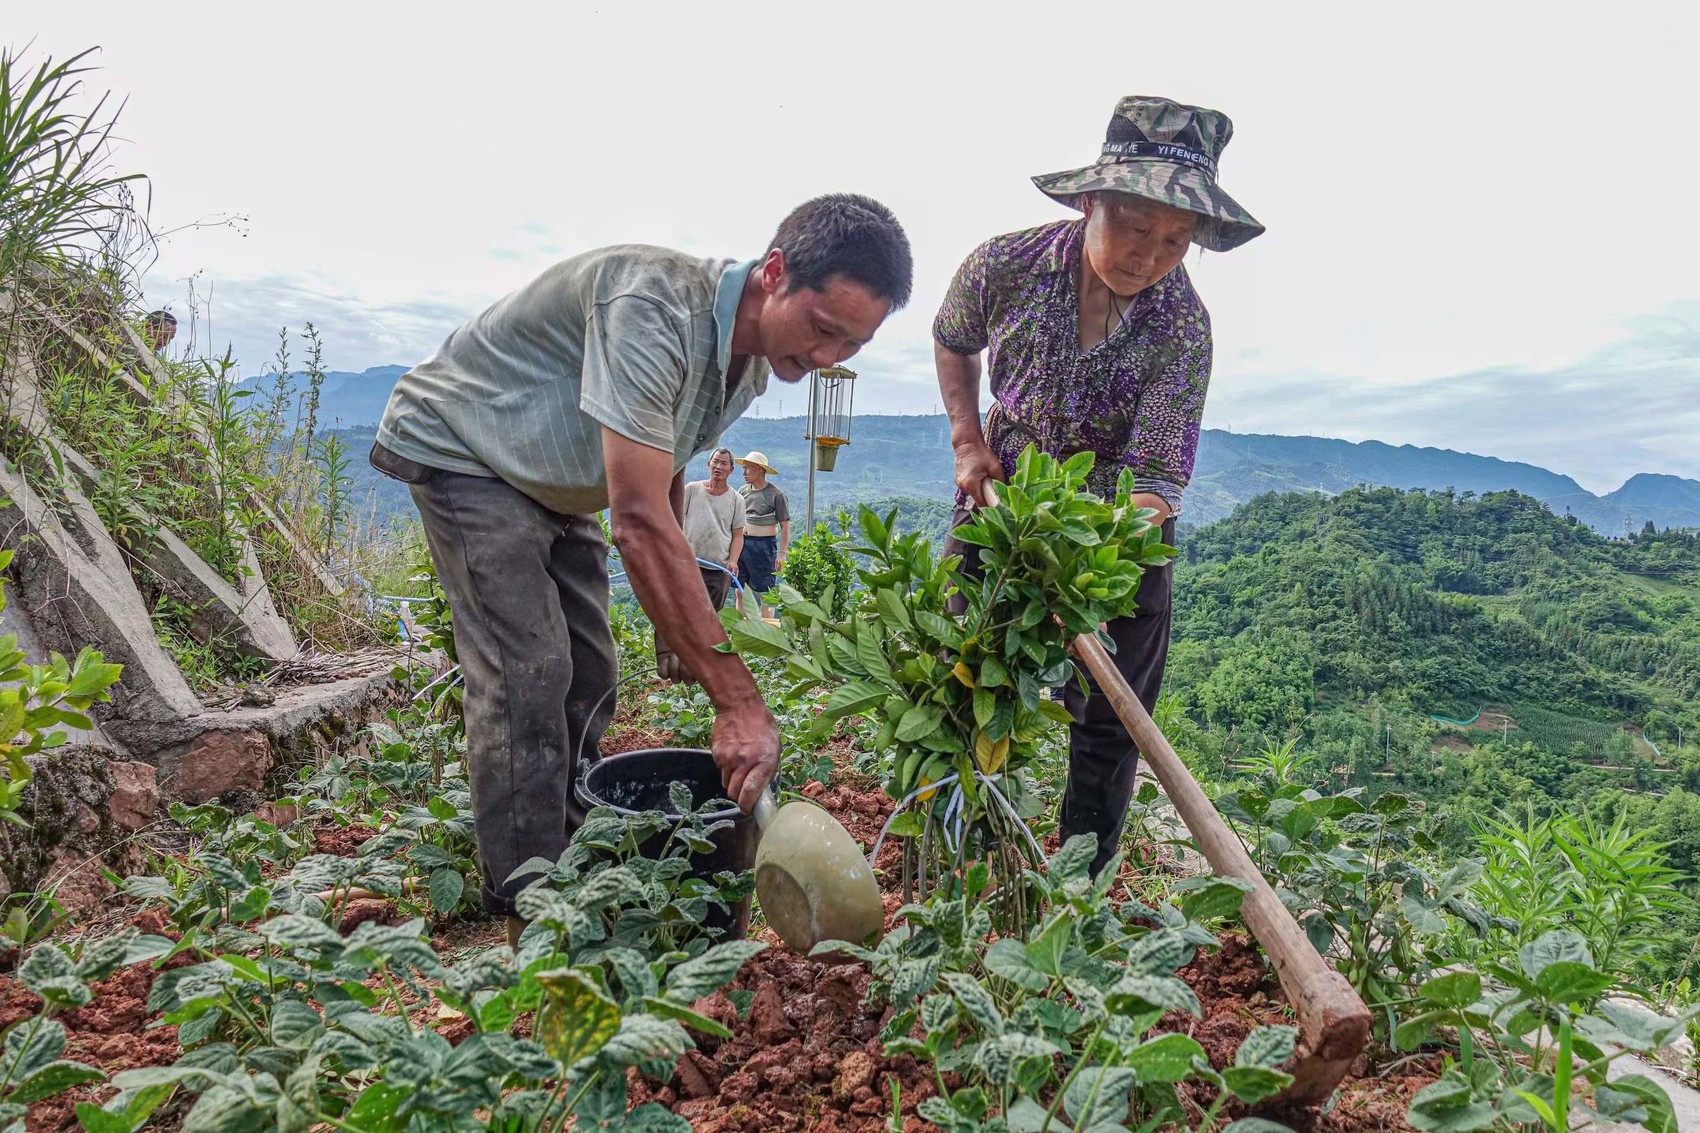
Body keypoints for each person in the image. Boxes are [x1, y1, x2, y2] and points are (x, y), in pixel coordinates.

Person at [370, 194, 912, 941]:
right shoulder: (656, 309)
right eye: (822, 330)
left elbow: (669, 454)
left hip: (557, 473)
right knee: (529, 669)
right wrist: (738, 700)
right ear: (775, 272)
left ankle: (573, 847)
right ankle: (529, 902)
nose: (824, 360)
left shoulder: (751, 361)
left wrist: (676, 616)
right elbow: (635, 519)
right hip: (470, 450)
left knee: (591, 673)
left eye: (849, 348)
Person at [934, 95, 1262, 876]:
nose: (1150, 255)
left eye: (1176, 239)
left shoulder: (1183, 327)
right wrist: (967, 442)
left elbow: (1153, 484)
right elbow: (952, 340)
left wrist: (1082, 564)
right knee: (962, 667)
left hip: (1119, 536)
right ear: (1091, 202)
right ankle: (953, 839)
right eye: (1135, 227)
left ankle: (1079, 878)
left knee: (1113, 716)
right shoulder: (1003, 266)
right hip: (1001, 505)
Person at [679, 447, 746, 612]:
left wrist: (733, 561)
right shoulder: (692, 489)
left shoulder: (737, 500)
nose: (718, 467)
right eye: (715, 462)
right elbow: (676, 521)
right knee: (681, 612)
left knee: (710, 616)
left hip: (718, 570)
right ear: (708, 464)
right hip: (688, 565)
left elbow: (738, 535)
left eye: (724, 463)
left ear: (731, 469)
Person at [735, 450, 789, 615]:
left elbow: (785, 526)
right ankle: (742, 629)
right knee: (739, 590)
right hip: (742, 544)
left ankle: (766, 630)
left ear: (760, 469)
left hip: (763, 546)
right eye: (743, 469)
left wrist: (781, 553)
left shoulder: (776, 494)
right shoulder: (742, 491)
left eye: (748, 469)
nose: (744, 473)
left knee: (765, 593)